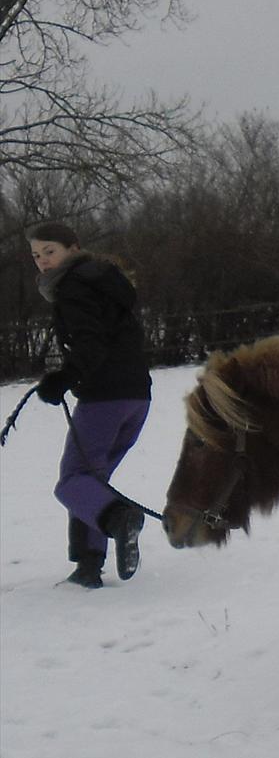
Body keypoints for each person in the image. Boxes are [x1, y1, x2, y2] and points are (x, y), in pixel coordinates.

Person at [27, 221, 152, 589]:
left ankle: (120, 519)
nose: (44, 262)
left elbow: (91, 345)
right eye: (36, 256)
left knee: (72, 482)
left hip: (104, 399)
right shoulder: (106, 282)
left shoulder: (74, 287)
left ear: (73, 248)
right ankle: (89, 565)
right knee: (92, 482)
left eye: (50, 251)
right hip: (137, 397)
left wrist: (63, 378)